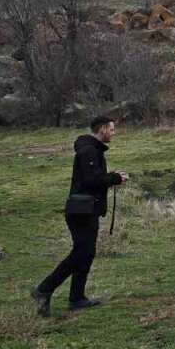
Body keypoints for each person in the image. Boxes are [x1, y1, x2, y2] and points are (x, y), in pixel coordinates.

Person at [31, 116, 128, 316]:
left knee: (87, 253)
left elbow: (92, 178)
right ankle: (44, 289)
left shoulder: (92, 149)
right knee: (81, 253)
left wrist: (112, 177)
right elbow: (91, 180)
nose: (114, 133)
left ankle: (77, 298)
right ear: (102, 129)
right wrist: (115, 178)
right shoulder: (88, 150)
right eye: (112, 129)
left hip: (87, 209)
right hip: (81, 211)